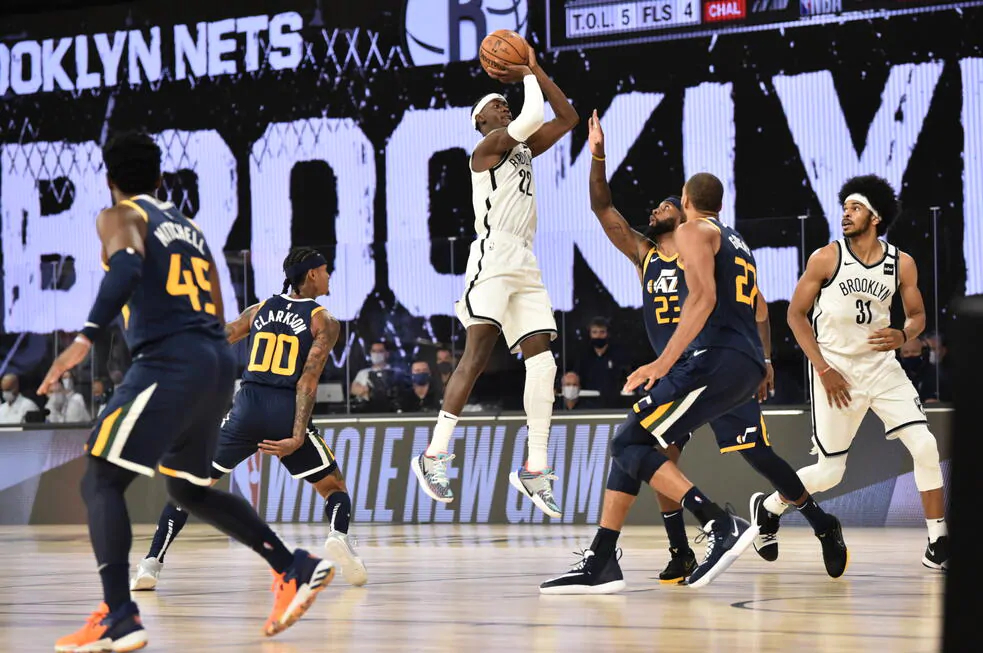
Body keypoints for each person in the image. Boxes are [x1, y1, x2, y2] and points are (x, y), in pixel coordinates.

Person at [39, 132, 334, 651]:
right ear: (160, 178)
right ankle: (292, 566)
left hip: (169, 359)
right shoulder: (191, 230)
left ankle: (119, 615)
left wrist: (84, 338)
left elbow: (126, 267)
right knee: (188, 488)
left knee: (101, 478)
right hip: (215, 364)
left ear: (109, 181)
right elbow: (216, 308)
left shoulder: (120, 214)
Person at [539, 111, 846, 593]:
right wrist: (597, 156)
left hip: (708, 362)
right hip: (691, 370)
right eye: (655, 207)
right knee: (651, 452)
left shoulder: (702, 245)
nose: (656, 210)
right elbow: (603, 207)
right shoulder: (645, 254)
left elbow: (759, 307)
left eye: (667, 204)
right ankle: (671, 551)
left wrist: (766, 360)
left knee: (755, 454)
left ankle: (813, 522)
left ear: (684, 209)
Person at [131, 246, 367, 592]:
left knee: (190, 487)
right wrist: (297, 434)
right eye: (326, 270)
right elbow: (308, 380)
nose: (329, 275)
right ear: (312, 274)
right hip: (285, 409)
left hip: (246, 408)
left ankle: (151, 563)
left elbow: (220, 339)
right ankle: (338, 537)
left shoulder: (259, 309)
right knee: (334, 487)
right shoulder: (324, 321)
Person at [410, 45, 579, 518]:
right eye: (495, 106)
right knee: (477, 354)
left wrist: (536, 70)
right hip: (493, 254)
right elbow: (532, 116)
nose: (503, 108)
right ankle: (434, 454)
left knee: (543, 363)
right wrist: (525, 75)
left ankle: (535, 467)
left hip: (525, 259)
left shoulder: (521, 148)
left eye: (505, 104)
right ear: (480, 120)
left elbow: (567, 117)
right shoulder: (485, 150)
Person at [755, 175, 949, 571]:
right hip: (835, 371)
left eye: (855, 208)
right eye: (844, 208)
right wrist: (823, 368)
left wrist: (904, 334)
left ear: (875, 217)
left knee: (925, 445)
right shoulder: (827, 257)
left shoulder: (901, 263)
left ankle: (938, 542)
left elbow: (917, 316)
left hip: (882, 369)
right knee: (829, 473)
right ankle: (770, 506)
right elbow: (795, 316)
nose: (845, 214)